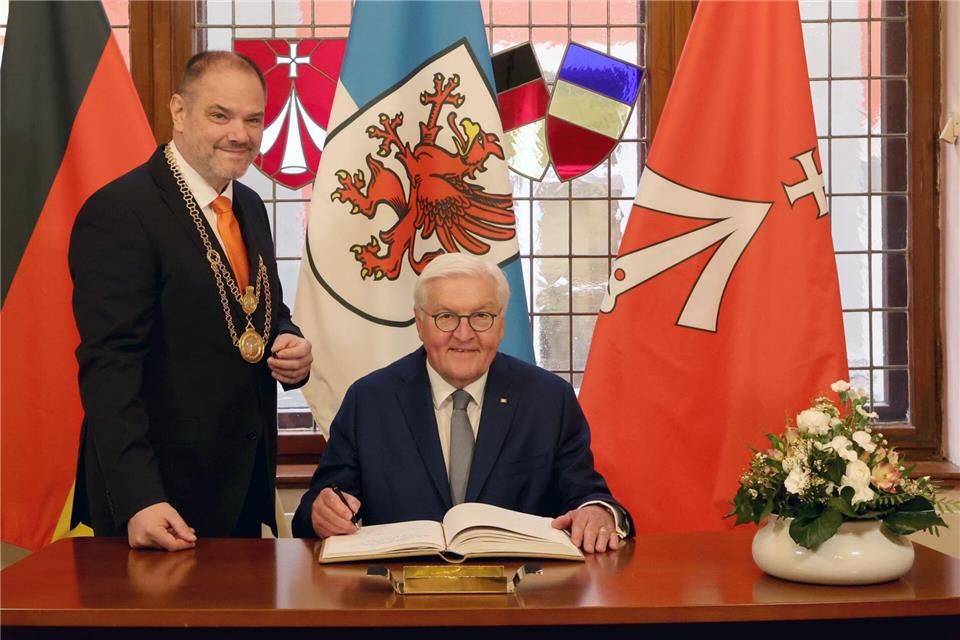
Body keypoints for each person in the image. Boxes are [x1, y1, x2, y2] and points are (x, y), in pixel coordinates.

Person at [69, 51, 313, 551]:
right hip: (158, 503)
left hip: (240, 489)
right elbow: (109, 368)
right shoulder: (120, 212)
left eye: (253, 119)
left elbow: (259, 310)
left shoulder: (245, 203)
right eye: (219, 115)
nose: (240, 135)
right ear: (179, 113)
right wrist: (139, 497)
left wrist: (289, 342)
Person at [292, 253, 631, 553]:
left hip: (519, 604)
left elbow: (587, 494)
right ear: (420, 323)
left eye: (481, 316)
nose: (464, 334)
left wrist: (597, 512)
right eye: (446, 317)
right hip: (399, 604)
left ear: (500, 324)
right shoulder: (369, 401)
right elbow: (317, 507)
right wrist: (322, 512)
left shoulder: (548, 400)